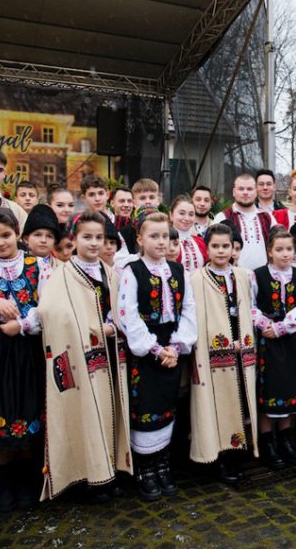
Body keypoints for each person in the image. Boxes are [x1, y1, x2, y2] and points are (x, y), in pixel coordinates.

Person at [38, 210, 130, 501]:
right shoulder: (60, 276)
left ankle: (112, 470)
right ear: (73, 240)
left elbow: (124, 311)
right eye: (86, 237)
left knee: (110, 412)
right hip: (81, 360)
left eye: (99, 238)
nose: (93, 243)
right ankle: (91, 477)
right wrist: (92, 328)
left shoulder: (112, 274)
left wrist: (116, 326)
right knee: (87, 415)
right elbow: (50, 314)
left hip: (112, 356)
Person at [0, 207, 51, 512]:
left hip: (27, 351)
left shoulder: (38, 265)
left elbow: (48, 309)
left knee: (27, 414)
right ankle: (2, 482)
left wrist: (24, 324)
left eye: (6, 235)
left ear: (17, 233)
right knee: (0, 415)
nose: (0, 243)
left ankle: (26, 481)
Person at [118, 211, 196, 501]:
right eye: (154, 236)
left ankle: (163, 463)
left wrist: (176, 346)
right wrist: (153, 348)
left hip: (172, 347)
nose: (161, 241)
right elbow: (127, 315)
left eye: (165, 236)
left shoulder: (178, 271)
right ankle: (145, 468)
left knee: (167, 403)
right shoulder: (132, 271)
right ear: (140, 239)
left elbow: (188, 310)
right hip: (146, 350)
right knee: (144, 406)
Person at [189, 223, 259, 484]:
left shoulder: (242, 275)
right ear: (206, 249)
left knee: (240, 401)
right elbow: (197, 318)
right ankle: (219, 458)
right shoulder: (198, 279)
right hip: (215, 355)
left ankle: (238, 452)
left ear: (233, 249)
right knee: (218, 404)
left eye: (225, 246)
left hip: (243, 352)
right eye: (215, 246)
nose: (220, 251)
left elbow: (248, 308)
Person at [250, 227, 296, 468]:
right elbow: (250, 306)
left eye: (289, 249)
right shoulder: (257, 275)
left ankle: (286, 439)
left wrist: (283, 327)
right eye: (279, 249)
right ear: (270, 252)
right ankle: (268, 441)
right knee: (270, 391)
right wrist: (266, 325)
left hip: (293, 341)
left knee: (290, 388)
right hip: (268, 342)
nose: (285, 254)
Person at [213, 174, 276, 270]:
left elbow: (278, 247)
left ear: (255, 192)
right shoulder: (222, 218)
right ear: (234, 192)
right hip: (234, 278)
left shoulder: (267, 217)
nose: (245, 192)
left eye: (250, 189)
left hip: (263, 279)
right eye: (241, 189)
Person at [120, 179, 163, 254]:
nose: (147, 201)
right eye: (142, 198)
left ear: (158, 200)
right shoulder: (125, 232)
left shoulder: (167, 227)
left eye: (152, 197)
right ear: (133, 203)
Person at [169, 195, 208, 274]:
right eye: (182, 213)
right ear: (171, 215)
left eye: (191, 214)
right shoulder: (165, 242)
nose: (187, 218)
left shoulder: (201, 242)